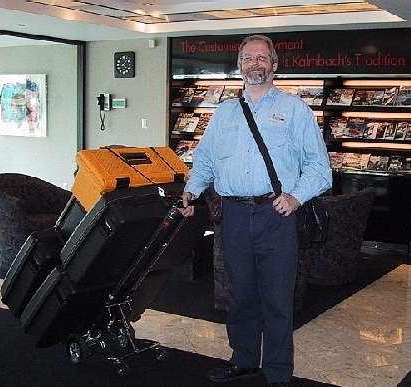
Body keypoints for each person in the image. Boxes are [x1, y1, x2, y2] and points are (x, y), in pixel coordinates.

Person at [180, 34, 332, 387]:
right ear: (240, 65)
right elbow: (204, 159)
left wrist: (295, 197)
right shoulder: (225, 111)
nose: (255, 63)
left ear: (275, 65)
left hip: (275, 217)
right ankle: (244, 359)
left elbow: (320, 168)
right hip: (232, 216)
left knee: (278, 298)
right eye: (249, 58)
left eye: (262, 58)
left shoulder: (296, 110)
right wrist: (191, 190)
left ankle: (278, 372)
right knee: (241, 294)